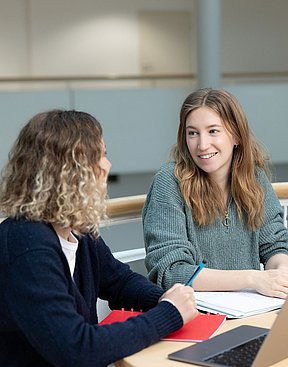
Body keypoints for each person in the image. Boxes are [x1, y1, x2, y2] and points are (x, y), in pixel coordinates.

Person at [0, 110, 198, 367]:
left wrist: (164, 298)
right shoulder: (26, 244)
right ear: (71, 171)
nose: (108, 165)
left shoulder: (74, 229)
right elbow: (78, 349)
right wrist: (169, 313)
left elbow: (119, 282)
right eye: (101, 155)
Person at [143, 88, 288, 299]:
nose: (202, 145)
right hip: (197, 314)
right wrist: (253, 278)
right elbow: (172, 272)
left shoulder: (255, 178)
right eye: (193, 133)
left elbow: (274, 246)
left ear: (236, 134)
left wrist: (282, 272)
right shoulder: (169, 182)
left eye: (213, 131)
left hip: (250, 308)